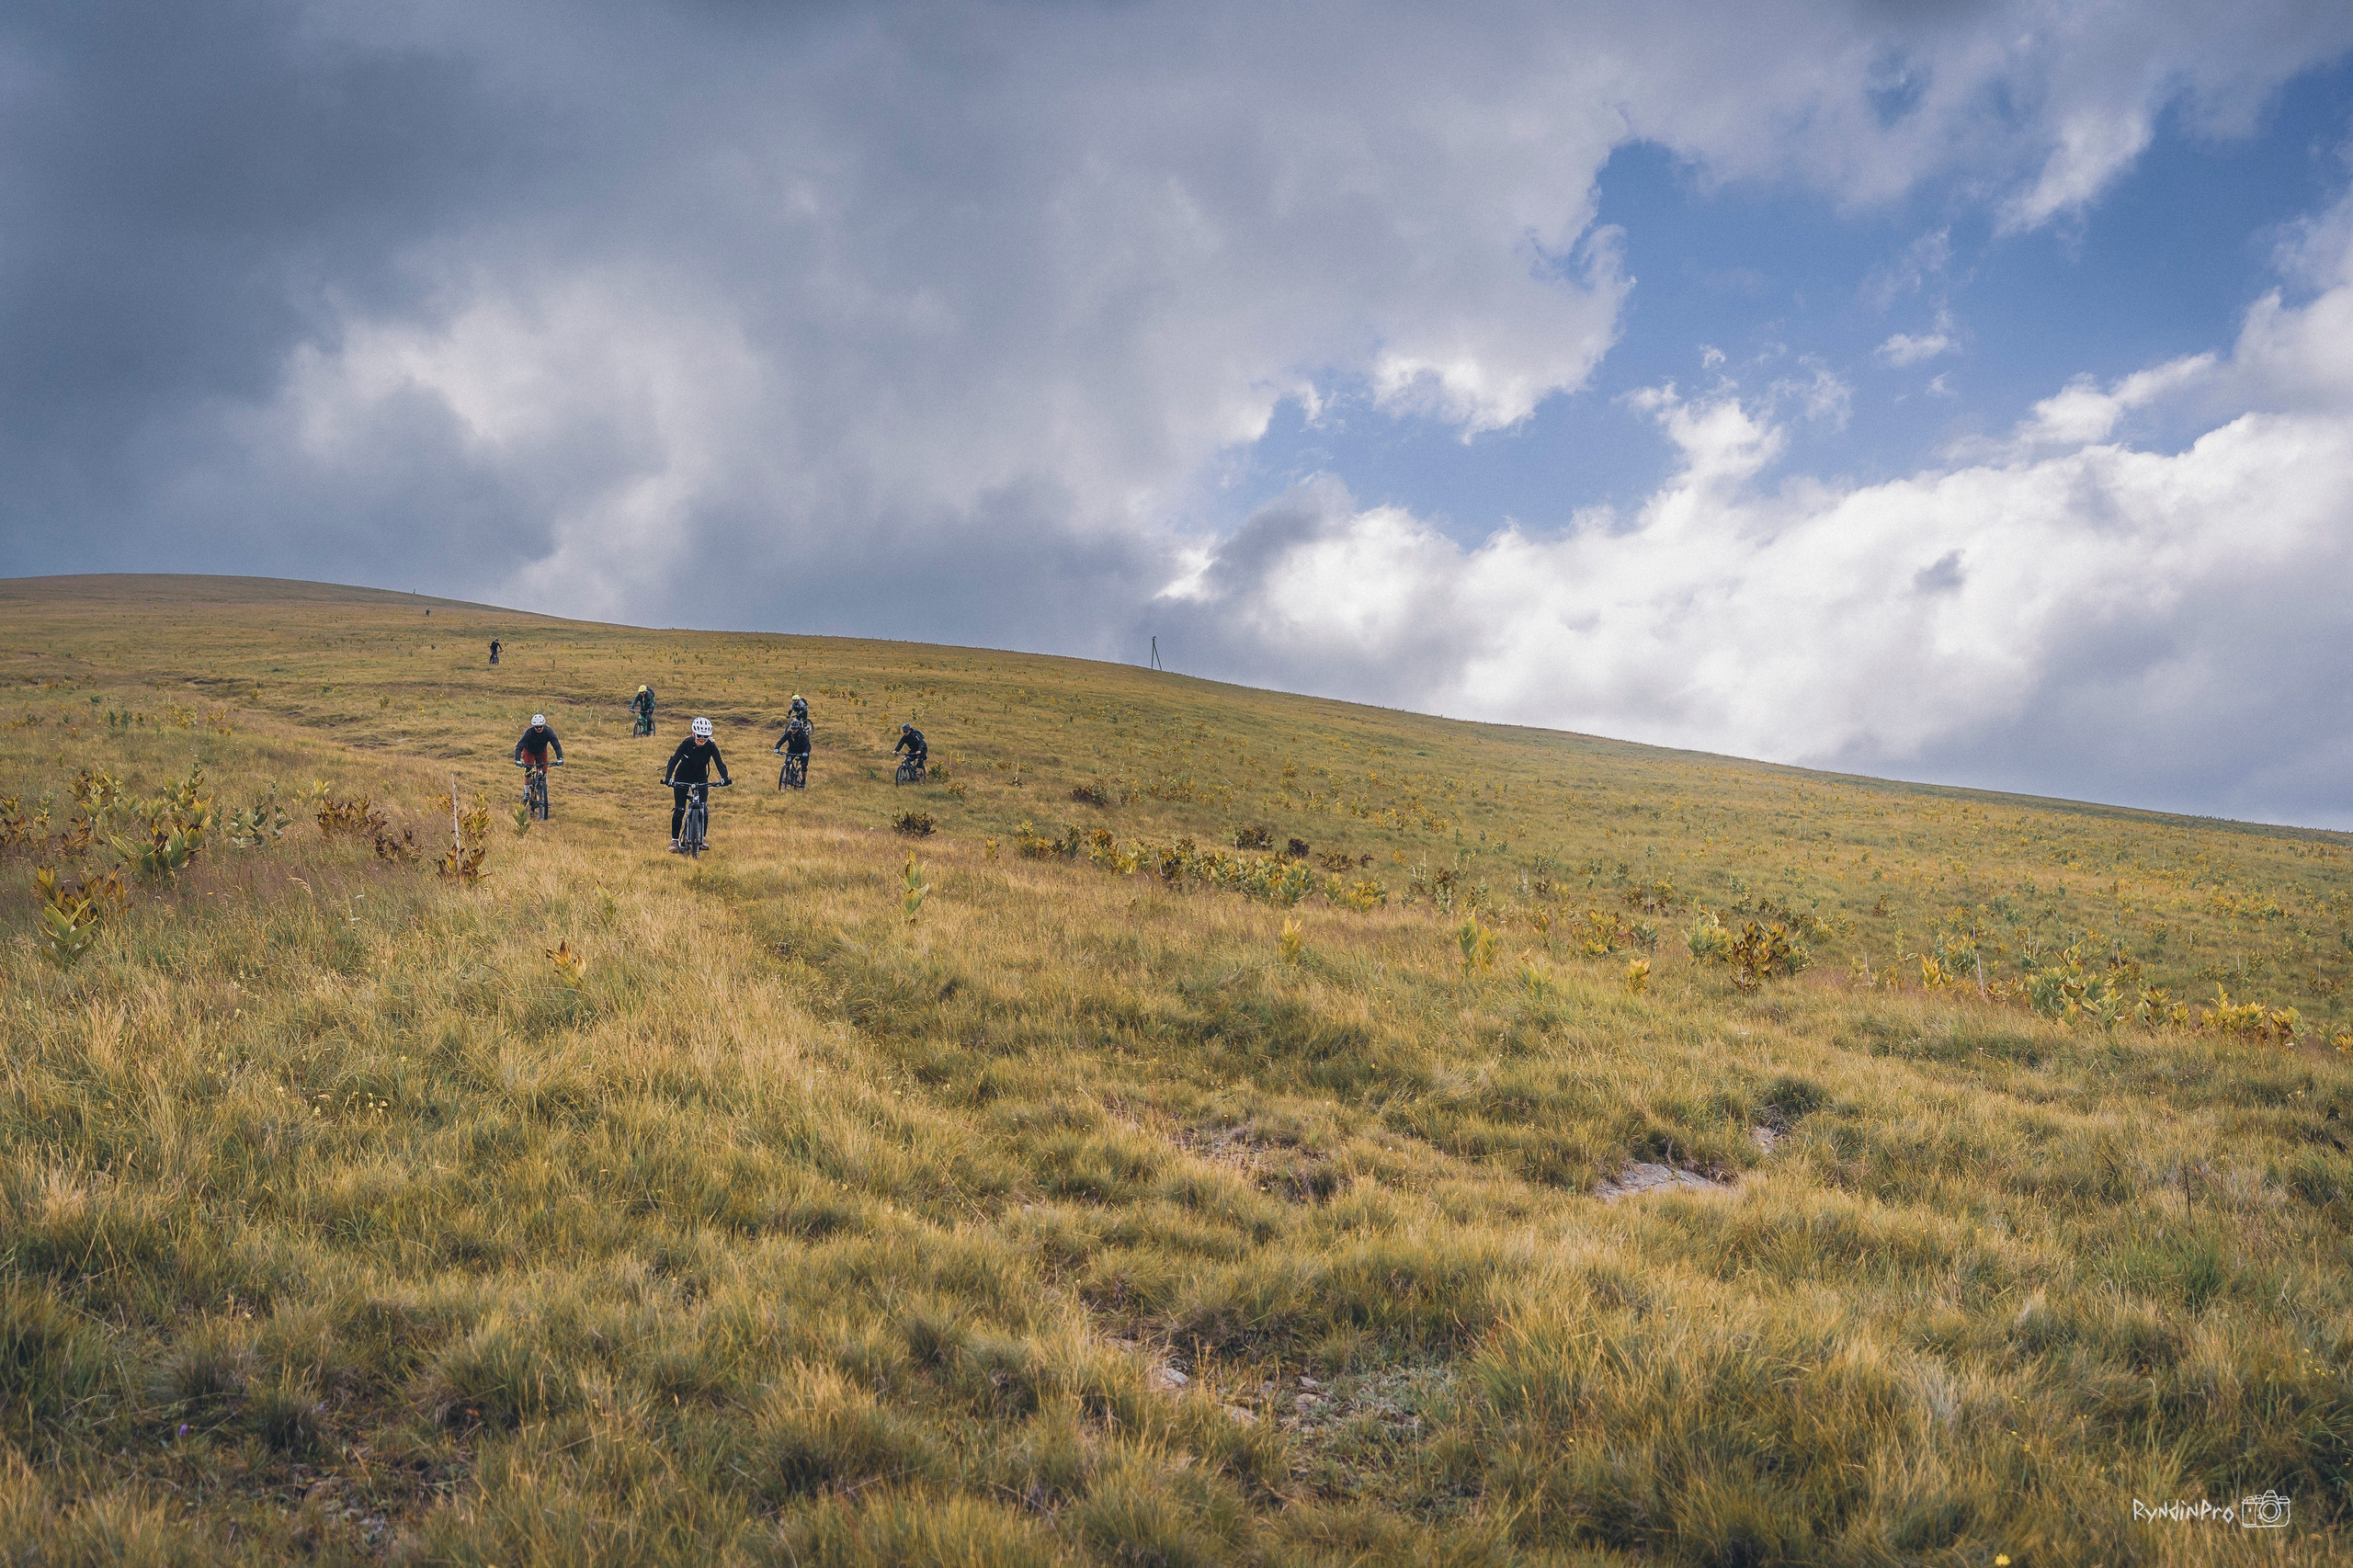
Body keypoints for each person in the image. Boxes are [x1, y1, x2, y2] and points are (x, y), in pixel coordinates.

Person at [664, 717, 732, 849]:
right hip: (682, 775)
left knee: (704, 808)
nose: (702, 739)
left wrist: (725, 778)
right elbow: (674, 760)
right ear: (693, 734)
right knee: (679, 809)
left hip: (700, 776)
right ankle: (674, 841)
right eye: (699, 736)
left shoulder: (711, 746)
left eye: (705, 737)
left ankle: (703, 838)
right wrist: (668, 778)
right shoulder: (686, 743)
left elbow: (719, 763)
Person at [514, 711, 564, 814]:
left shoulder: (549, 732)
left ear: (544, 725)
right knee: (528, 769)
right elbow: (519, 746)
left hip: (542, 752)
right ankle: (527, 793)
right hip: (529, 751)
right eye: (536, 727)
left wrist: (560, 758)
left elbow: (556, 745)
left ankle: (541, 789)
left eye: (541, 726)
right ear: (534, 727)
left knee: (544, 770)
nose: (539, 729)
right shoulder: (529, 733)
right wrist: (517, 760)